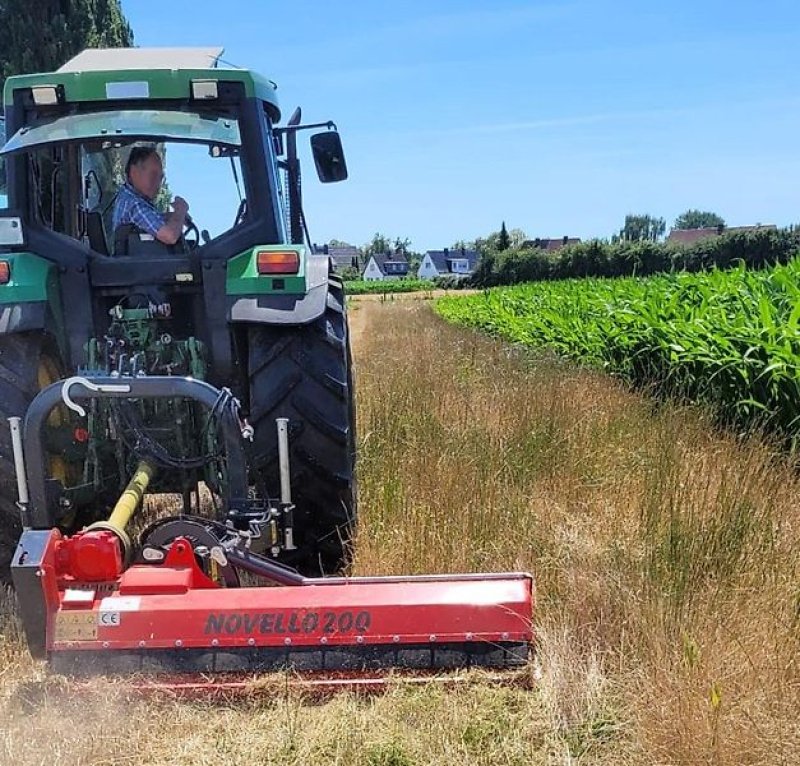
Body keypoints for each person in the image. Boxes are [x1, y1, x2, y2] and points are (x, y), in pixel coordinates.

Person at [112, 146, 189, 247]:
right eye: (153, 174)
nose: (158, 182)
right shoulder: (133, 204)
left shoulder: (129, 199)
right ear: (133, 171)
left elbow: (148, 220)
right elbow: (169, 236)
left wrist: (171, 217)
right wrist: (181, 210)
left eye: (160, 177)